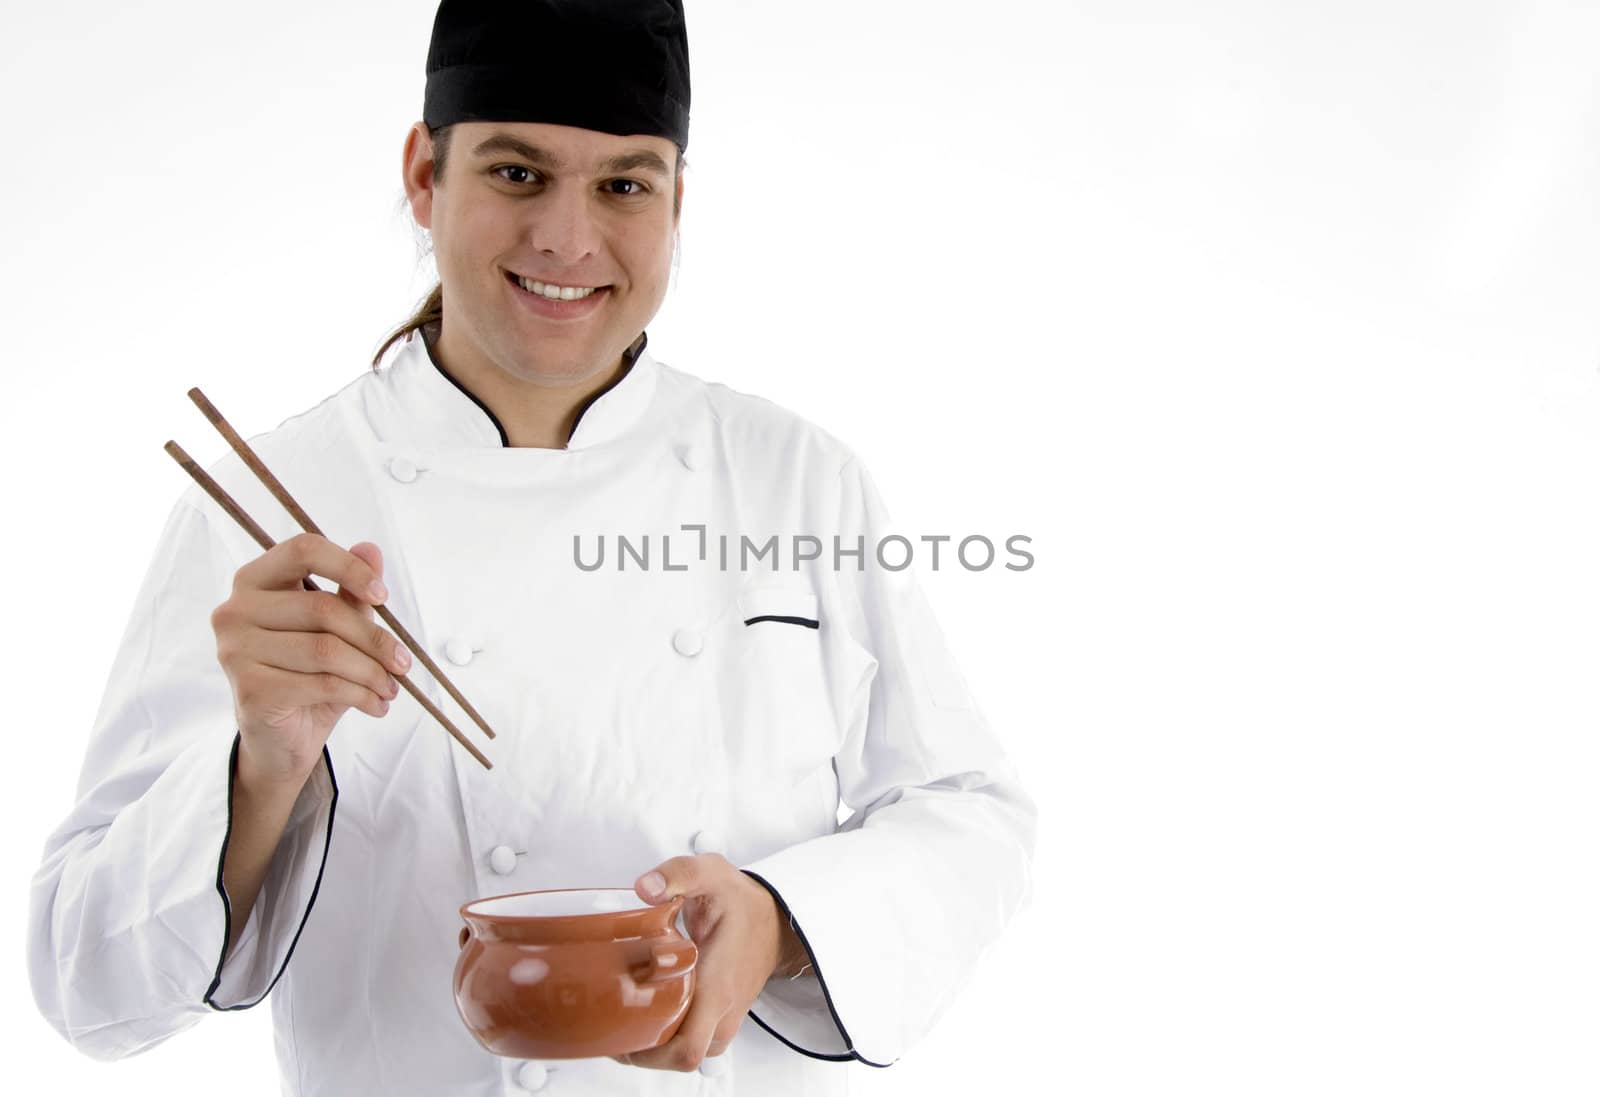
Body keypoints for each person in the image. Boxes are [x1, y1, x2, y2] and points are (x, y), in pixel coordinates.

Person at [26, 2, 1037, 1094]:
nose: (567, 240)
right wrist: (260, 766)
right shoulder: (276, 503)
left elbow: (970, 816)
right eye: (516, 174)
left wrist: (779, 920)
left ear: (676, 200)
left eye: (624, 184)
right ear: (425, 175)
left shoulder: (799, 477)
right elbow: (86, 985)